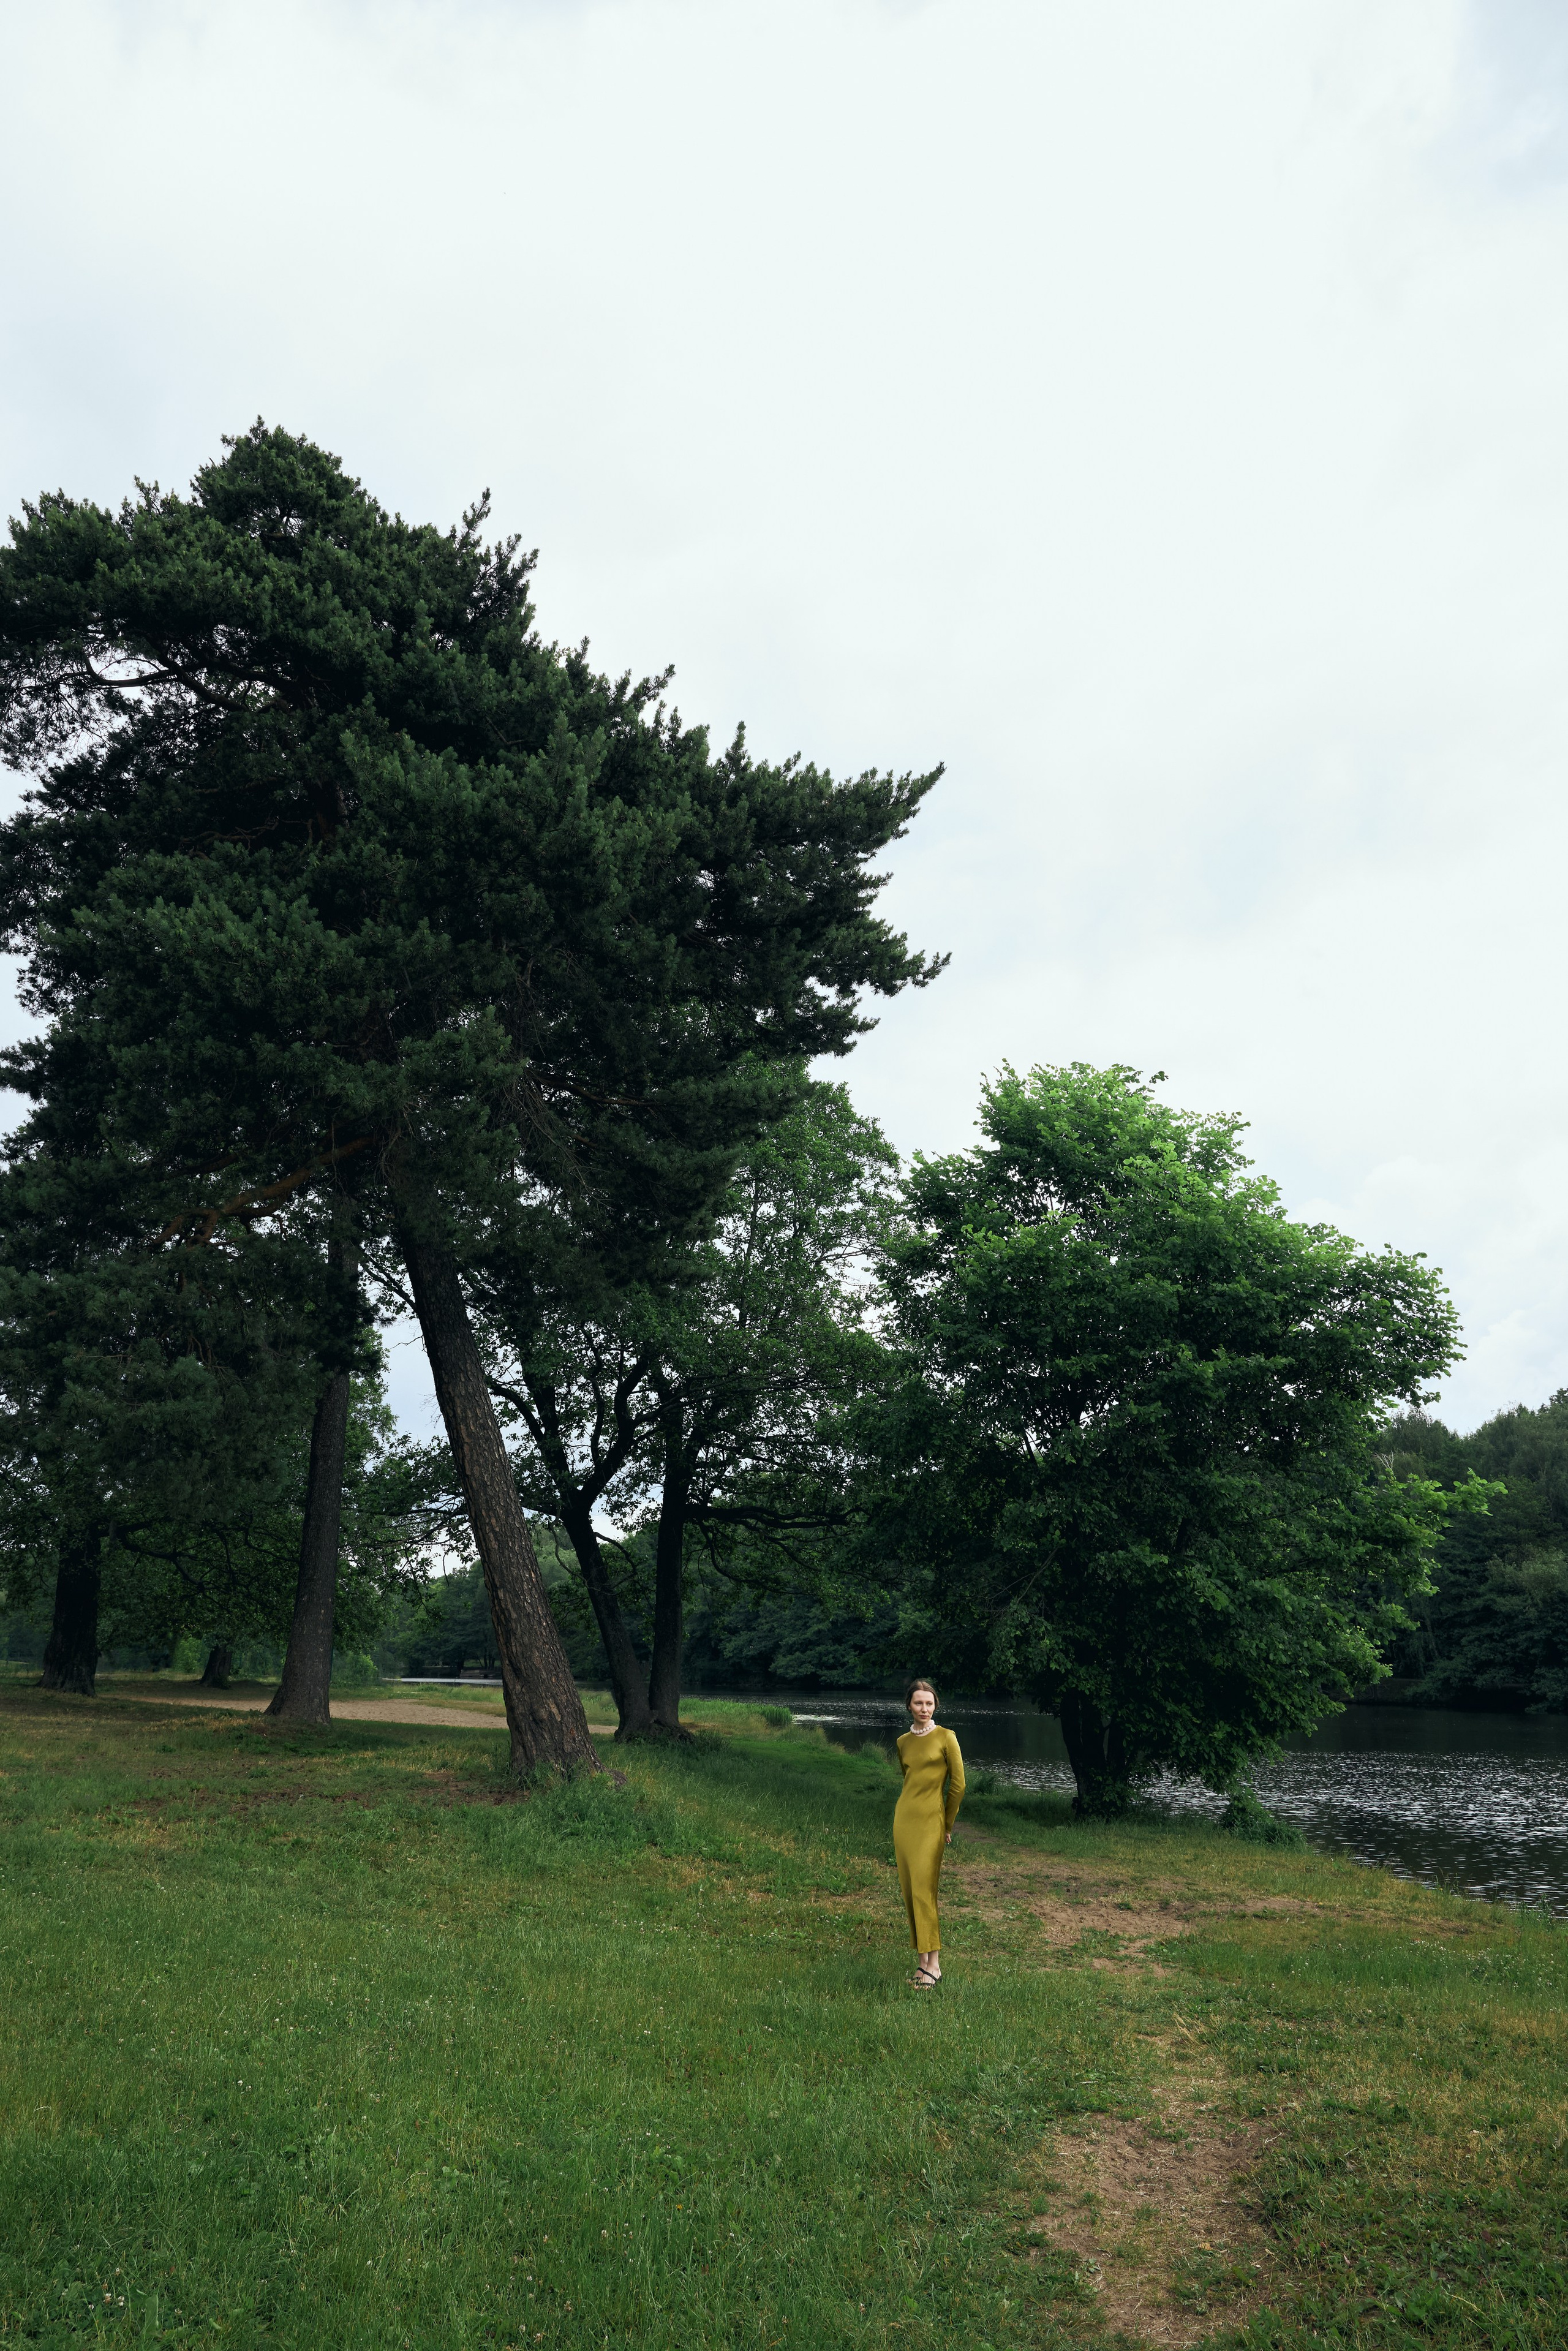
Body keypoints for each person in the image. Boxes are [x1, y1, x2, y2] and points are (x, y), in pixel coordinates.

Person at [894, 1677, 965, 1987]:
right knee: (911, 1892)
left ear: (936, 1705)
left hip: (931, 1824)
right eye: (918, 1703)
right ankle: (922, 1964)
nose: (924, 1708)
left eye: (930, 1703)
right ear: (909, 1705)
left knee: (925, 1891)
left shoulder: (947, 1737)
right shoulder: (902, 1743)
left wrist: (946, 1824)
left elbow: (959, 1786)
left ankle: (934, 1966)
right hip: (904, 1821)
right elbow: (908, 1782)